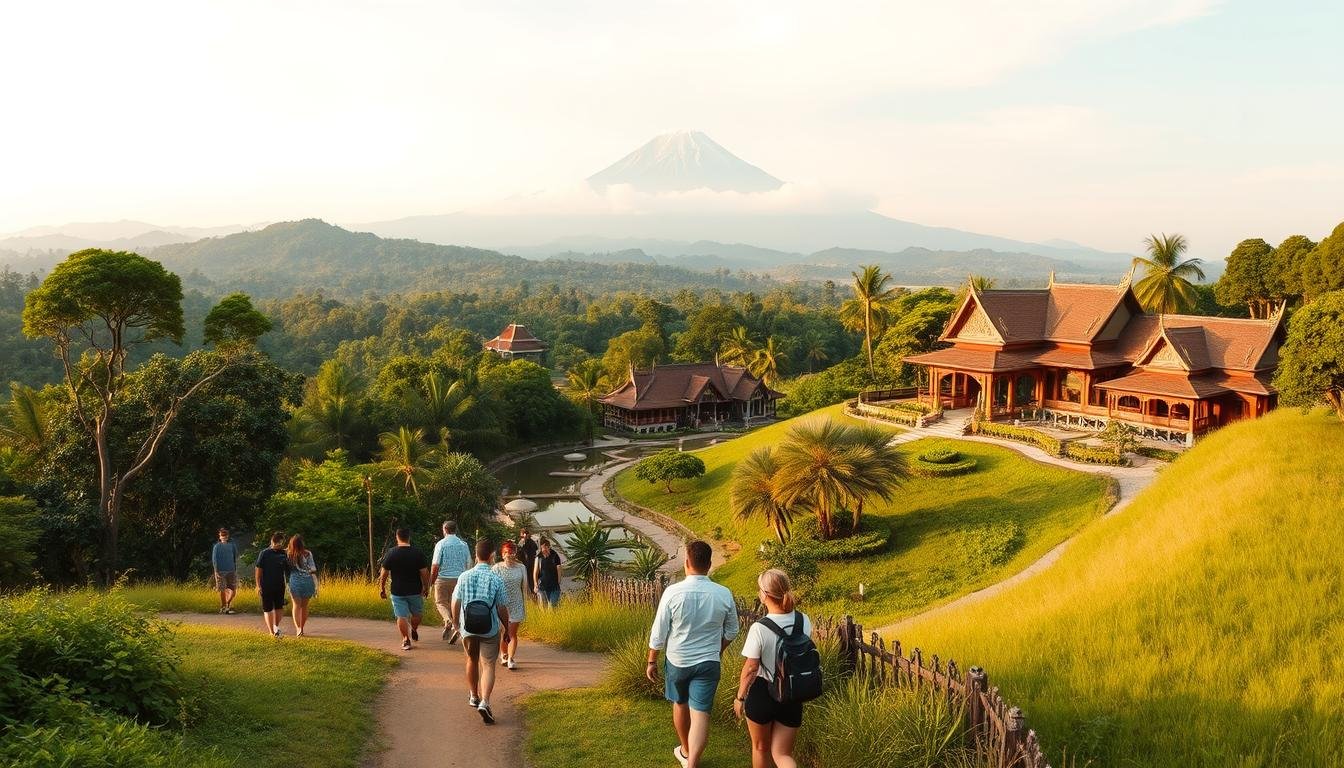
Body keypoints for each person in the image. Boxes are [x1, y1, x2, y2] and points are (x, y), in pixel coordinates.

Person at [646, 540, 738, 768]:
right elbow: (733, 630)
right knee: (701, 714)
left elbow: (659, 632)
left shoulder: (672, 593)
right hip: (708, 662)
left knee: (680, 703)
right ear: (708, 565)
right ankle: (693, 762)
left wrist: (651, 661)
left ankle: (686, 750)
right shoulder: (723, 593)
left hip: (678, 661)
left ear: (687, 563)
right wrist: (718, 650)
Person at [733, 569, 813, 768]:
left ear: (765, 595)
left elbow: (751, 667)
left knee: (760, 748)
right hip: (792, 692)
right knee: (783, 754)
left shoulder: (760, 628)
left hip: (763, 692)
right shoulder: (803, 621)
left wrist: (740, 697)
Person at [451, 538, 511, 724]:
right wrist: (507, 628)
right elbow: (501, 607)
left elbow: (455, 602)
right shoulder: (496, 578)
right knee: (489, 665)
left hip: (468, 627)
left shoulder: (464, 576)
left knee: (471, 659)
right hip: (489, 628)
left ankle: (473, 696)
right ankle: (485, 701)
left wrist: (456, 624)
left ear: (475, 555)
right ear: (492, 556)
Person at [379, 527, 430, 651]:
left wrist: (382, 588)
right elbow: (424, 572)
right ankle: (414, 628)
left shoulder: (391, 553)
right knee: (417, 614)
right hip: (415, 590)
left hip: (397, 590)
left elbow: (384, 572)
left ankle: (406, 639)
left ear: (397, 537)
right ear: (409, 537)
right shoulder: (417, 553)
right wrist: (426, 587)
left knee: (401, 616)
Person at [430, 520, 472, 643]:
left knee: (441, 603)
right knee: (457, 604)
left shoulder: (441, 544)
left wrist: (432, 581)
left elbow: (435, 565)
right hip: (460, 579)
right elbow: (469, 563)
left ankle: (447, 620)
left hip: (443, 579)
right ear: (455, 530)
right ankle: (456, 627)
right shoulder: (463, 544)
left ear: (445, 530)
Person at [492, 541, 527, 670]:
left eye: (512, 553)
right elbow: (493, 587)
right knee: (504, 632)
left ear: (515, 554)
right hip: (502, 605)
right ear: (502, 555)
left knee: (512, 633)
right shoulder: (496, 568)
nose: (509, 555)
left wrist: (525, 604)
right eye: (507, 553)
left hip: (516, 603)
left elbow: (525, 587)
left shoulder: (521, 568)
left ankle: (511, 658)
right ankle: (504, 654)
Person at [254, 533, 290, 637]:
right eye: (276, 543)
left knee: (279, 607)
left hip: (280, 585)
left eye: (280, 543)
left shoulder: (284, 553)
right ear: (272, 542)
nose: (278, 545)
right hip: (266, 585)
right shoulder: (264, 553)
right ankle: (271, 631)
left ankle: (276, 627)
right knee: (268, 608)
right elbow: (258, 570)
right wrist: (258, 585)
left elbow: (288, 570)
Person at [286, 534, 317, 637]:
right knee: (304, 606)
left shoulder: (288, 554)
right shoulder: (308, 553)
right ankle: (301, 628)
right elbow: (313, 569)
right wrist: (307, 569)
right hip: (307, 580)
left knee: (296, 606)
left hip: (295, 581)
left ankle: (298, 629)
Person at [212, 528, 239, 614]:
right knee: (222, 589)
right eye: (222, 535)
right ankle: (223, 607)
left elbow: (235, 557)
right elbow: (214, 559)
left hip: (231, 570)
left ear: (227, 536)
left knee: (233, 590)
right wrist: (216, 571)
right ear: (219, 537)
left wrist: (234, 568)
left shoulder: (232, 545)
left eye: (225, 535)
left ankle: (227, 604)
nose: (224, 537)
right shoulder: (216, 546)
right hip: (220, 571)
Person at [533, 537, 564, 607]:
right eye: (543, 548)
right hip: (542, 587)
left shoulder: (555, 555)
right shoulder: (538, 557)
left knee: (552, 608)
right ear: (541, 547)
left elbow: (559, 568)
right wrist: (535, 584)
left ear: (549, 547)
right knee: (543, 608)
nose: (545, 550)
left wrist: (559, 581)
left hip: (554, 586)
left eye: (546, 548)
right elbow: (535, 572)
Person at [516, 527, 539, 597]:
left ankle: (533, 594)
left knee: (530, 580)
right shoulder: (522, 542)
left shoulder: (529, 542)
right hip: (525, 564)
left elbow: (535, 547)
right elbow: (518, 550)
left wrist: (526, 540)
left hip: (529, 564)